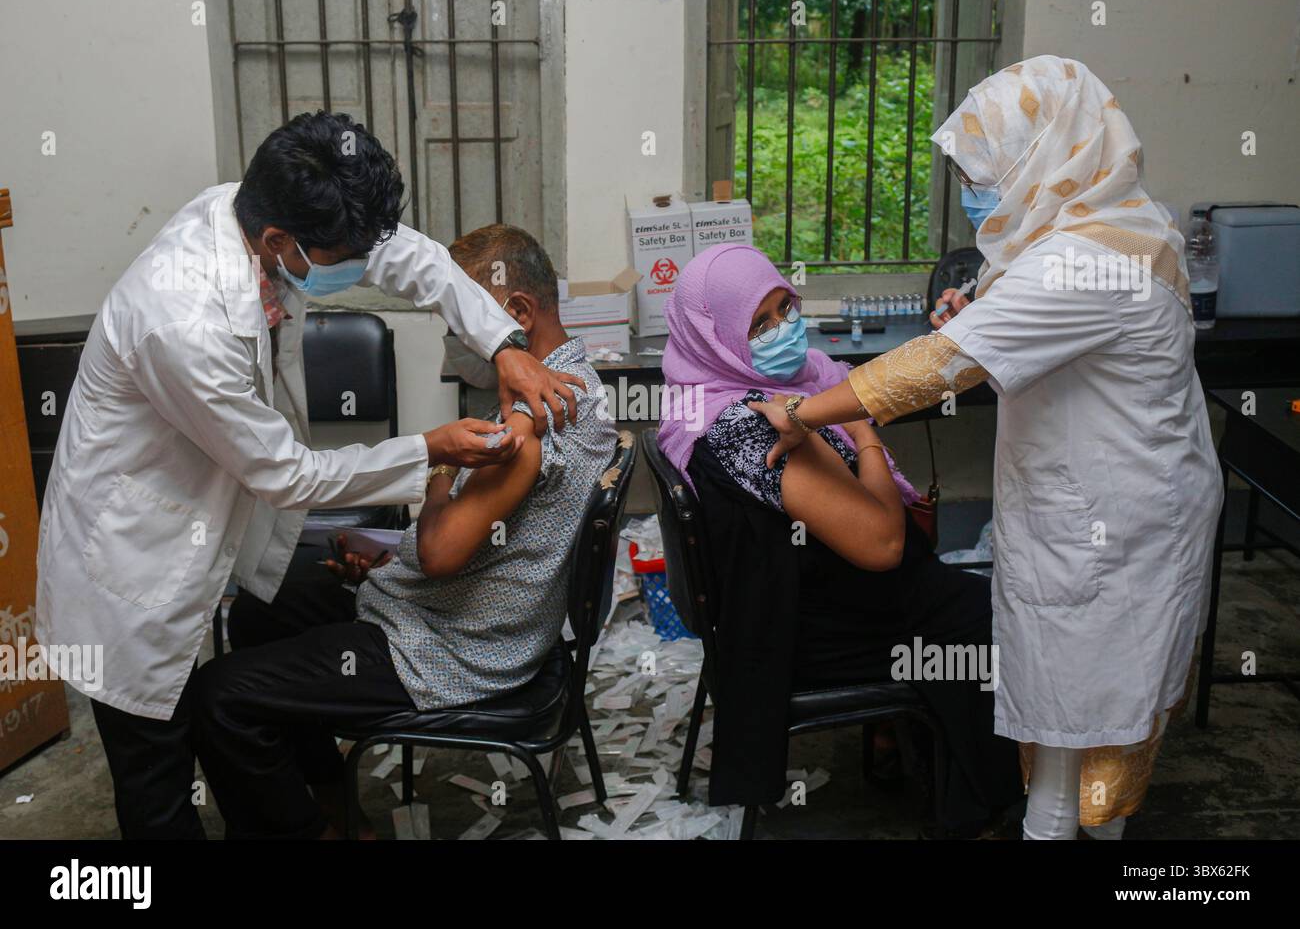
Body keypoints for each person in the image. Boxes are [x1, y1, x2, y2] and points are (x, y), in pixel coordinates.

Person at [34, 112, 586, 839]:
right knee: (155, 773)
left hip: (209, 514)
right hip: (131, 552)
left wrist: (505, 344)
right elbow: (288, 477)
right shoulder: (183, 319)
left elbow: (414, 259)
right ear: (278, 243)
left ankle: (313, 809)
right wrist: (433, 451)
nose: (363, 265)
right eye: (347, 254)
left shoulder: (269, 217)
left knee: (249, 646)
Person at [747, 55, 1221, 839]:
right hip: (1108, 503)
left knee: (1093, 721)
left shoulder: (1084, 263)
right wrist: (981, 301)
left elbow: (939, 367)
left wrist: (803, 412)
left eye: (983, 172)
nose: (975, 192)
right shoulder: (1126, 220)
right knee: (1072, 717)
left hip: (1115, 523)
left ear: (1042, 155)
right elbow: (1033, 311)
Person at [191, 224, 617, 839]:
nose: (453, 340)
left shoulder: (533, 420)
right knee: (261, 611)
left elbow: (443, 551)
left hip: (452, 650)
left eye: (461, 319)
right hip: (471, 617)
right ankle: (331, 799)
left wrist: (441, 462)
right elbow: (492, 538)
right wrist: (395, 559)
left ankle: (311, 830)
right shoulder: (577, 384)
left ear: (516, 311)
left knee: (218, 696)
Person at [658, 243, 1022, 836]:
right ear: (715, 336)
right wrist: (859, 426)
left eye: (786, 309)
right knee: (995, 617)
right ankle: (978, 805)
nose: (785, 330)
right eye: (760, 324)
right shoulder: (754, 424)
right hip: (811, 627)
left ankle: (911, 750)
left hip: (808, 590)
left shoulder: (724, 393)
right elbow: (882, 544)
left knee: (979, 597)